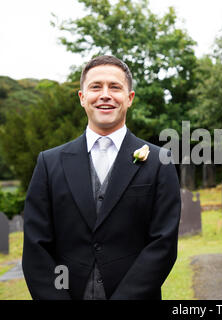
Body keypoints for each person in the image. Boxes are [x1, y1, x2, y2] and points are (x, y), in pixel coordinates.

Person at [22, 55, 181, 300]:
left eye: (115, 87)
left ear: (129, 99)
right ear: (82, 98)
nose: (105, 94)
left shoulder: (161, 161)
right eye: (96, 87)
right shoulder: (49, 163)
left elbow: (163, 244)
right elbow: (37, 247)